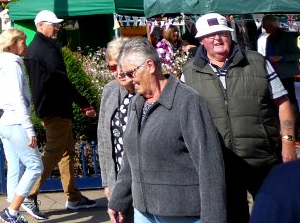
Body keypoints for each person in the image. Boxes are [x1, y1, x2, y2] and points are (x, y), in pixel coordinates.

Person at [182, 12, 296, 223]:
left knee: (272, 215)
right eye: (210, 35)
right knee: (234, 217)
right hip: (221, 162)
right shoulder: (189, 73)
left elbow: (283, 102)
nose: (217, 39)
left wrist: (288, 142)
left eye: (222, 33)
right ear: (201, 40)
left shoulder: (256, 62)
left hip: (262, 158)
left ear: (230, 34)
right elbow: (185, 118)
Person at [107, 37, 226, 223]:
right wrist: (118, 200)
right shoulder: (137, 103)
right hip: (143, 212)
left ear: (150, 65)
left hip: (182, 213)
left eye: (131, 73)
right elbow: (130, 159)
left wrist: (214, 218)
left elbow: (209, 165)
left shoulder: (187, 101)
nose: (129, 80)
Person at [22, 10, 97, 219]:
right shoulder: (46, 49)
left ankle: (73, 197)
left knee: (66, 153)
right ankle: (29, 194)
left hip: (50, 107)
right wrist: (84, 104)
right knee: (54, 152)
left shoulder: (35, 48)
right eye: (53, 24)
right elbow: (61, 80)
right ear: (40, 25)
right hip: (55, 109)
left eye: (57, 24)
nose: (57, 27)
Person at [0, 27, 43, 223]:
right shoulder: (12, 65)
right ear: (12, 44)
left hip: (2, 122)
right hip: (14, 121)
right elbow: (17, 99)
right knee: (35, 166)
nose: (26, 45)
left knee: (16, 166)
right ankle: (11, 211)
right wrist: (29, 129)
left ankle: (12, 209)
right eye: (22, 42)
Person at [97, 37, 136, 212]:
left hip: (144, 181)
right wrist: (107, 183)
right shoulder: (110, 90)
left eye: (122, 66)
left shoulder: (146, 92)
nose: (118, 72)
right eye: (113, 67)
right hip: (118, 180)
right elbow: (104, 139)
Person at [260, 14, 299, 115]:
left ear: (272, 25)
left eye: (265, 25)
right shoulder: (269, 38)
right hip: (273, 73)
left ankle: (296, 123)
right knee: (276, 98)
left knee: (290, 98)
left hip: (285, 74)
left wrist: (281, 57)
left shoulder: (287, 37)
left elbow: (296, 54)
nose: (263, 27)